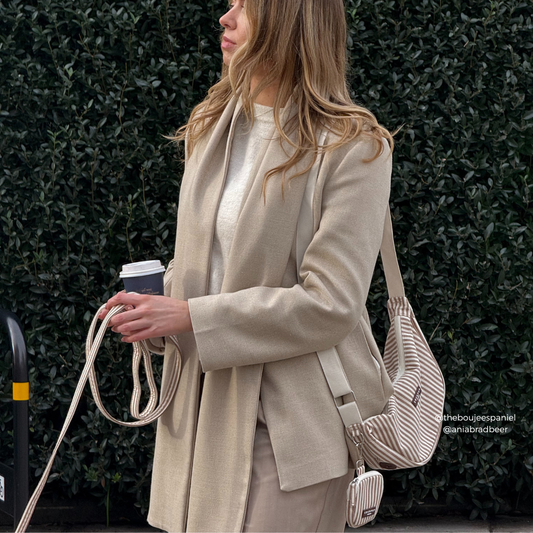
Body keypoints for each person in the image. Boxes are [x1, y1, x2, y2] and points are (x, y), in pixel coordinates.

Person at [100, 0, 395, 531]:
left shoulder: (353, 148)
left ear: (290, 21)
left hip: (288, 429)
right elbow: (209, 261)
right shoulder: (212, 125)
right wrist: (154, 309)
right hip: (199, 417)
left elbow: (332, 303)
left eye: (247, 6)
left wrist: (190, 316)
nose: (226, 17)